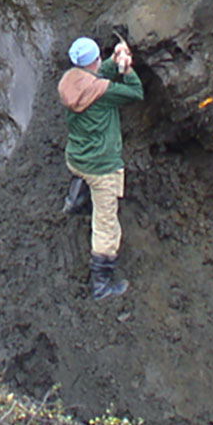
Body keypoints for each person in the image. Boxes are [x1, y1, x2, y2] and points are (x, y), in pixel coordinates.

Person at [59, 34, 143, 300]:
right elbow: (135, 93)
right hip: (102, 167)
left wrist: (113, 59)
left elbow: (93, 76)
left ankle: (75, 201)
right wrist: (126, 69)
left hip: (77, 158)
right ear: (93, 62)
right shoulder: (103, 93)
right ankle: (101, 285)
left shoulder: (69, 82)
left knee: (84, 175)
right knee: (107, 225)